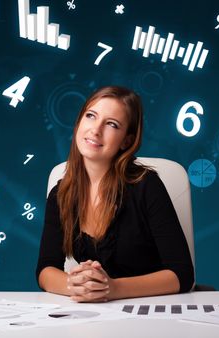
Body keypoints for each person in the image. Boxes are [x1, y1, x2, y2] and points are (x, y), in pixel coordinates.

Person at [36, 86, 194, 302]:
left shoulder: (147, 185)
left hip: (150, 310)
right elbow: (46, 269)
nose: (95, 130)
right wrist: (75, 285)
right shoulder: (60, 194)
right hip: (95, 316)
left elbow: (182, 274)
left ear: (126, 141)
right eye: (91, 116)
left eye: (112, 124)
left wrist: (112, 288)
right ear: (79, 123)